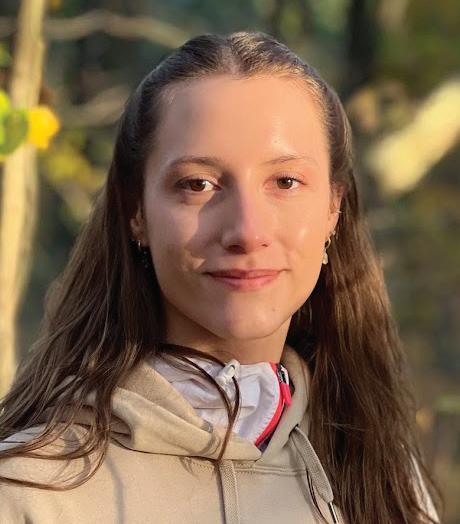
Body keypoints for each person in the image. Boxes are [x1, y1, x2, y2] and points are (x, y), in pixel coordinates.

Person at [0, 31, 442, 523]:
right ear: (136, 211)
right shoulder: (27, 495)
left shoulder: (386, 481)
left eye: (286, 181)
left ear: (333, 209)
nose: (247, 231)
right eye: (198, 184)